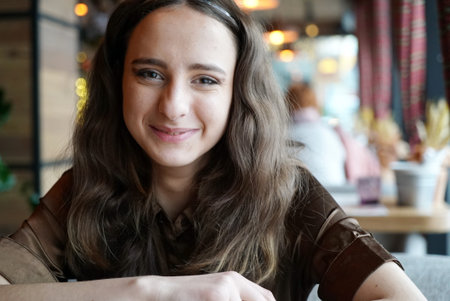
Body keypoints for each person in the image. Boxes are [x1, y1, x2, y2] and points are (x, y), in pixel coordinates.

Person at [0, 0, 426, 300]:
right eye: (150, 73)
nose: (173, 106)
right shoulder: (84, 189)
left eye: (205, 79)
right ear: (118, 84)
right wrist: (148, 293)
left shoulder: (290, 194)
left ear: (237, 94)